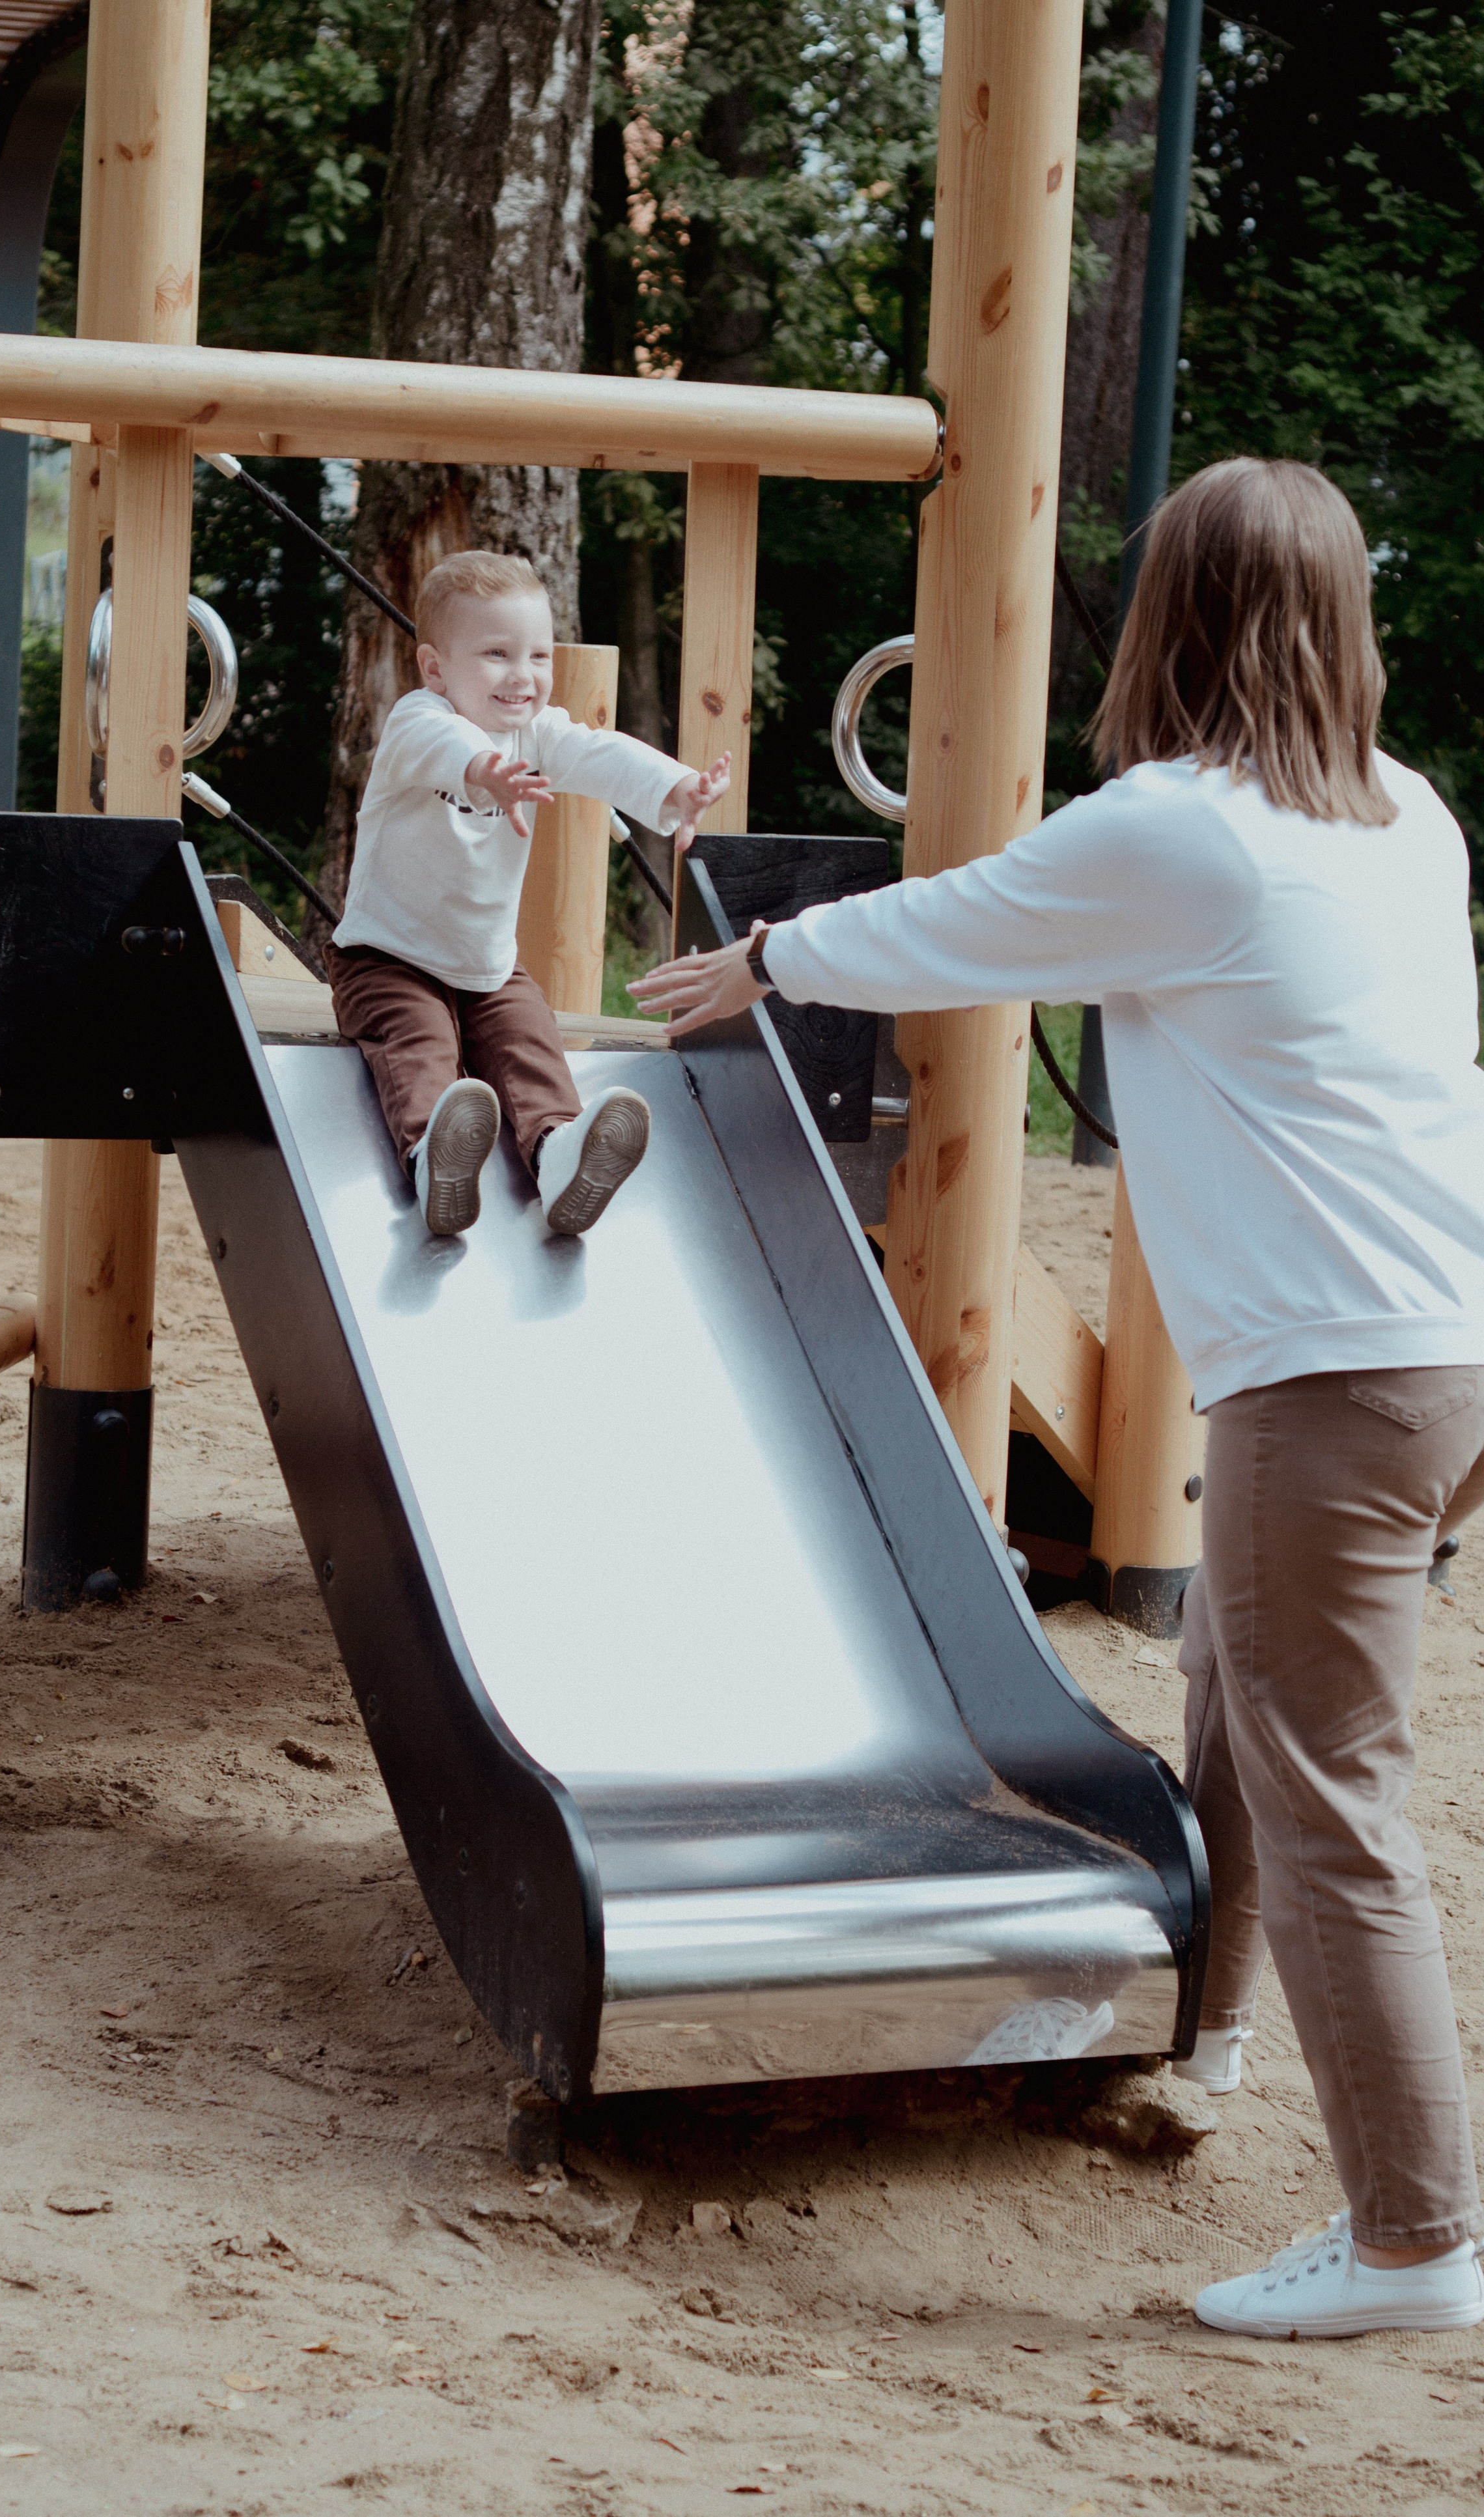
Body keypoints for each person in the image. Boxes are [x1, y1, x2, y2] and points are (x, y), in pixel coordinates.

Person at [631, 457, 1484, 2341]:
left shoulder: (1186, 831)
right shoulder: (1407, 815)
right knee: (1245, 1700)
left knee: (1333, 1779)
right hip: (1442, 1354)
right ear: (1342, 623)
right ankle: (1220, 2019)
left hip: (1332, 1372)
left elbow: (964, 925)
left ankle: (1417, 2235)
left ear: (1172, 612)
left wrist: (762, 957)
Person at [328, 549, 730, 1236]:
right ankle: (435, 1160)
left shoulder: (537, 733)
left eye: (537, 655)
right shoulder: (414, 722)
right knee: (419, 1042)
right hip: (385, 957)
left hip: (486, 966)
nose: (523, 675)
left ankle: (561, 1153)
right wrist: (488, 771)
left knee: (529, 1040)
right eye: (496, 653)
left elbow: (602, 753)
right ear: (435, 668)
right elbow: (448, 747)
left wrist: (676, 788)